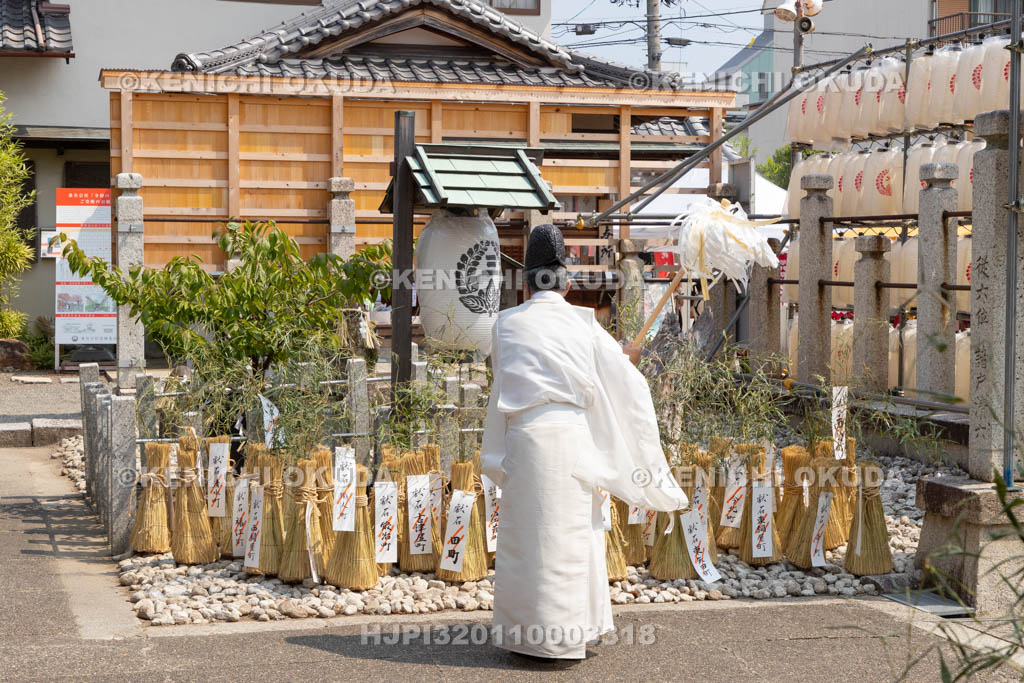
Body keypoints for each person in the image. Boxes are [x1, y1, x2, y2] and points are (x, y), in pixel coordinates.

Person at [481, 224, 687, 661]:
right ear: (569, 282)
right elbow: (621, 377)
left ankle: (524, 637)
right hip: (569, 439)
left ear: (526, 283)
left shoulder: (504, 324)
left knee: (526, 536)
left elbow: (504, 378)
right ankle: (567, 637)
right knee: (571, 535)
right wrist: (628, 356)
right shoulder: (584, 323)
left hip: (525, 438)